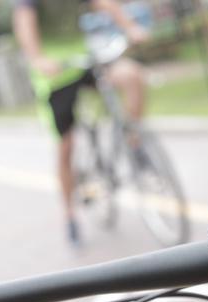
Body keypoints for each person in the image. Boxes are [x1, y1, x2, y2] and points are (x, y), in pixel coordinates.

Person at [13, 0, 149, 244]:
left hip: (84, 58)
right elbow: (24, 25)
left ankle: (134, 144)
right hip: (55, 74)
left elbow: (104, 3)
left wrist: (131, 27)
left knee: (132, 75)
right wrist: (37, 59)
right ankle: (69, 215)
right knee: (66, 146)